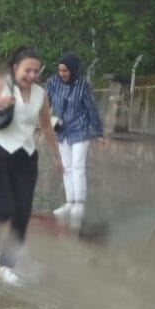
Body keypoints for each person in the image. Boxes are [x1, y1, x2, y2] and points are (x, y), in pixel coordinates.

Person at [0, 46, 63, 285]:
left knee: (22, 214)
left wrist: (56, 155)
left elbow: (46, 125)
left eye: (36, 71)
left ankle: (5, 268)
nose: (32, 75)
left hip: (25, 158)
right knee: (2, 208)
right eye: (27, 70)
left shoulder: (41, 94)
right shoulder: (1, 85)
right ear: (15, 68)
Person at [46, 53, 106, 231]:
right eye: (60, 70)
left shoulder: (83, 86)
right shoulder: (52, 83)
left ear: (72, 69)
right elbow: (44, 104)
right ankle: (69, 203)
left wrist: (98, 132)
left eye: (65, 70)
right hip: (62, 131)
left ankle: (79, 205)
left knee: (78, 167)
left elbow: (91, 109)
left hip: (80, 130)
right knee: (66, 168)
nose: (62, 73)